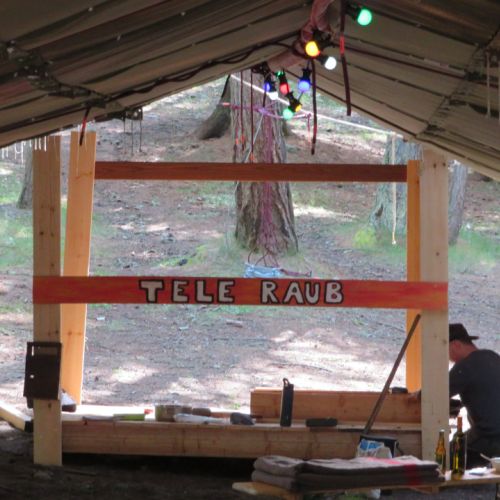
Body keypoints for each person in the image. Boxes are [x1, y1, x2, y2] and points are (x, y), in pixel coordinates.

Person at [448, 323, 500, 466]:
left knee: (449, 453)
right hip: (493, 430)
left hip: (489, 434)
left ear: (456, 345)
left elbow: (434, 394)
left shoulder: (464, 366)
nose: (448, 358)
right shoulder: (493, 356)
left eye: (447, 351)